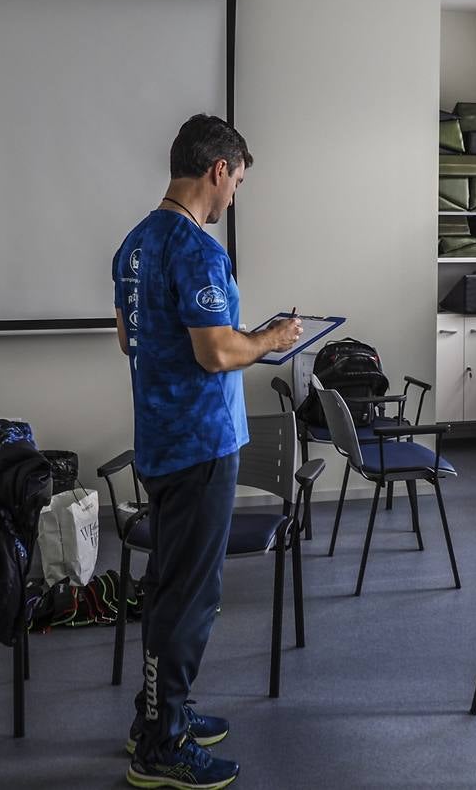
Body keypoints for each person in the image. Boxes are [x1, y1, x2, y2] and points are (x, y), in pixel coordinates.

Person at [112, 114, 302, 790]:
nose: (233, 198)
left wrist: (235, 338)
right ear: (217, 169)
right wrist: (271, 339)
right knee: (191, 596)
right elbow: (215, 350)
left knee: (167, 586)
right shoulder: (196, 249)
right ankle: (161, 748)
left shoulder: (134, 245)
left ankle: (160, 713)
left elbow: (131, 339)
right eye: (237, 182)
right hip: (200, 445)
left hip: (159, 441)